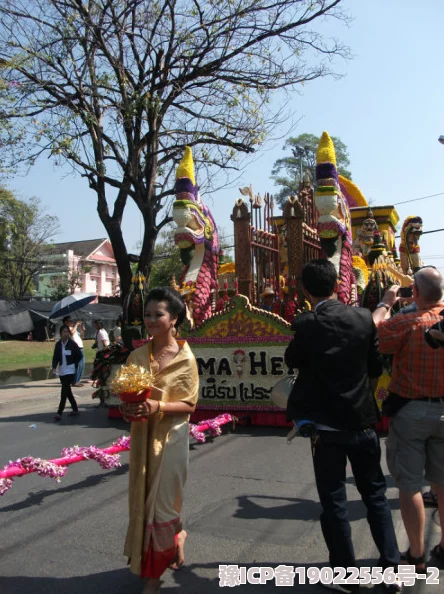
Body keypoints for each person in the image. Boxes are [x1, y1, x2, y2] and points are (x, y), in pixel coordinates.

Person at [285, 259, 400, 593]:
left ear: (304, 289)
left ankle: (346, 576)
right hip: (363, 422)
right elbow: (374, 366)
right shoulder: (363, 319)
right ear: (337, 283)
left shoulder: (307, 324)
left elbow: (292, 360)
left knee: (334, 503)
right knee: (376, 497)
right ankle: (391, 570)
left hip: (326, 428)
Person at [121, 287, 199, 594]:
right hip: (142, 442)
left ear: (174, 318)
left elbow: (190, 405)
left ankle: (153, 579)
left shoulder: (185, 359)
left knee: (162, 508)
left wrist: (158, 406)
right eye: (148, 315)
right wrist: (129, 408)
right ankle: (177, 537)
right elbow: (127, 402)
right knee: (145, 503)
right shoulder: (136, 356)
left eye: (159, 314)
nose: (151, 320)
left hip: (172, 442)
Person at [372, 266, 444, 572]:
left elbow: (373, 331)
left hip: (411, 411)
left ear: (414, 292)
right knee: (442, 482)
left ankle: (416, 554)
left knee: (411, 485)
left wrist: (387, 302)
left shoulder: (406, 322)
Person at [51, 324, 82, 421]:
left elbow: (79, 355)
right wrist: (53, 367)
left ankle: (59, 413)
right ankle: (75, 409)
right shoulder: (58, 344)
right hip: (62, 371)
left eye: (67, 332)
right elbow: (55, 357)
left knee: (63, 392)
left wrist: (74, 363)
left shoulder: (72, 344)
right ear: (60, 333)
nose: (66, 334)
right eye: (64, 332)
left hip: (70, 370)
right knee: (67, 391)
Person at [63, 315, 85, 386]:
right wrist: (77, 324)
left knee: (81, 365)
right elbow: (71, 333)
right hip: (75, 349)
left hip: (80, 347)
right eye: (70, 321)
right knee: (78, 365)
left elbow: (81, 337)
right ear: (66, 322)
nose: (72, 322)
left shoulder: (72, 328)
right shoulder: (65, 328)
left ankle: (76, 380)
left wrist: (82, 330)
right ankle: (75, 381)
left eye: (72, 321)